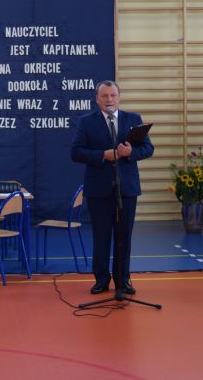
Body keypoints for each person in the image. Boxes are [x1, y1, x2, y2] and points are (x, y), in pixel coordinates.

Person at [70, 80, 154, 295]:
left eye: (113, 95)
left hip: (126, 189)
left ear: (119, 97)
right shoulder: (86, 122)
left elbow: (148, 148)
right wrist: (102, 155)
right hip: (98, 189)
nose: (109, 99)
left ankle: (123, 280)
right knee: (101, 237)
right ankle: (101, 279)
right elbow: (76, 152)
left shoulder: (133, 119)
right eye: (105, 96)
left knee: (124, 237)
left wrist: (131, 153)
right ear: (97, 99)